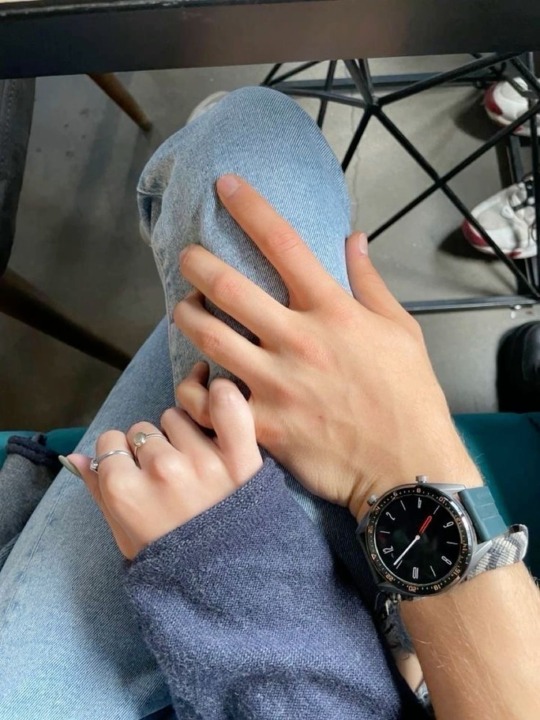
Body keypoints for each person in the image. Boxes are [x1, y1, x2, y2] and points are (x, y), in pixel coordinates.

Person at [0, 86, 538, 720]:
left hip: (292, 652)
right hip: (465, 624)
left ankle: (181, 232)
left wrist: (228, 564)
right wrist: (411, 447)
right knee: (249, 154)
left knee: (237, 153)